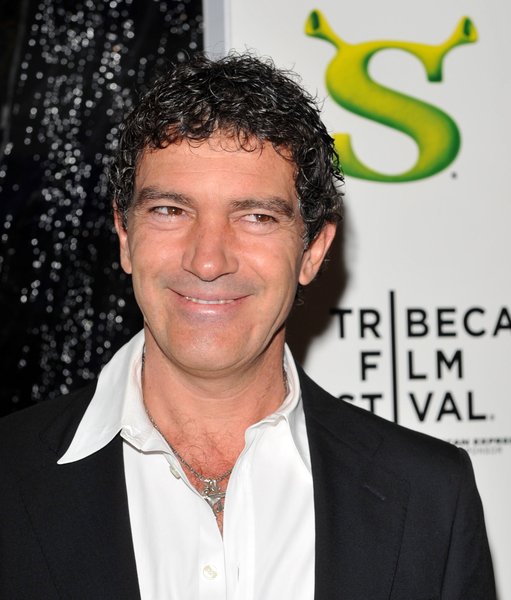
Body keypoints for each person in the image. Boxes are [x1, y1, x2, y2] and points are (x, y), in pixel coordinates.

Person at [0, 53, 495, 600]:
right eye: (170, 210)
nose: (208, 260)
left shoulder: (430, 497)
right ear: (125, 235)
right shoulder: (9, 475)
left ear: (313, 250)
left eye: (256, 217)